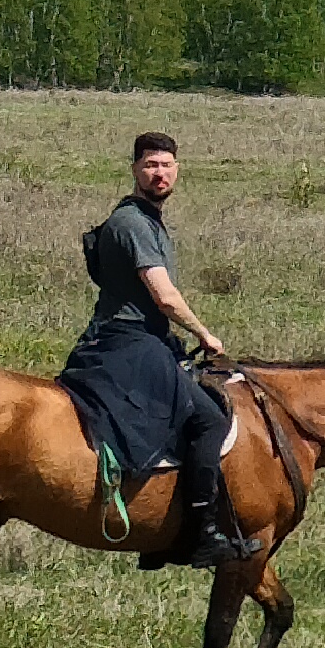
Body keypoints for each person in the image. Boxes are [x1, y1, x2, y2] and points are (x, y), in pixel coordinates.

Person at [64, 132, 261, 570]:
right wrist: (205, 334)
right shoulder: (133, 224)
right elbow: (165, 297)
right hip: (128, 342)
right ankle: (200, 532)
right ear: (134, 169)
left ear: (178, 170)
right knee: (207, 419)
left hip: (140, 340)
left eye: (167, 165)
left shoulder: (147, 221)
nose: (160, 173)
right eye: (151, 165)